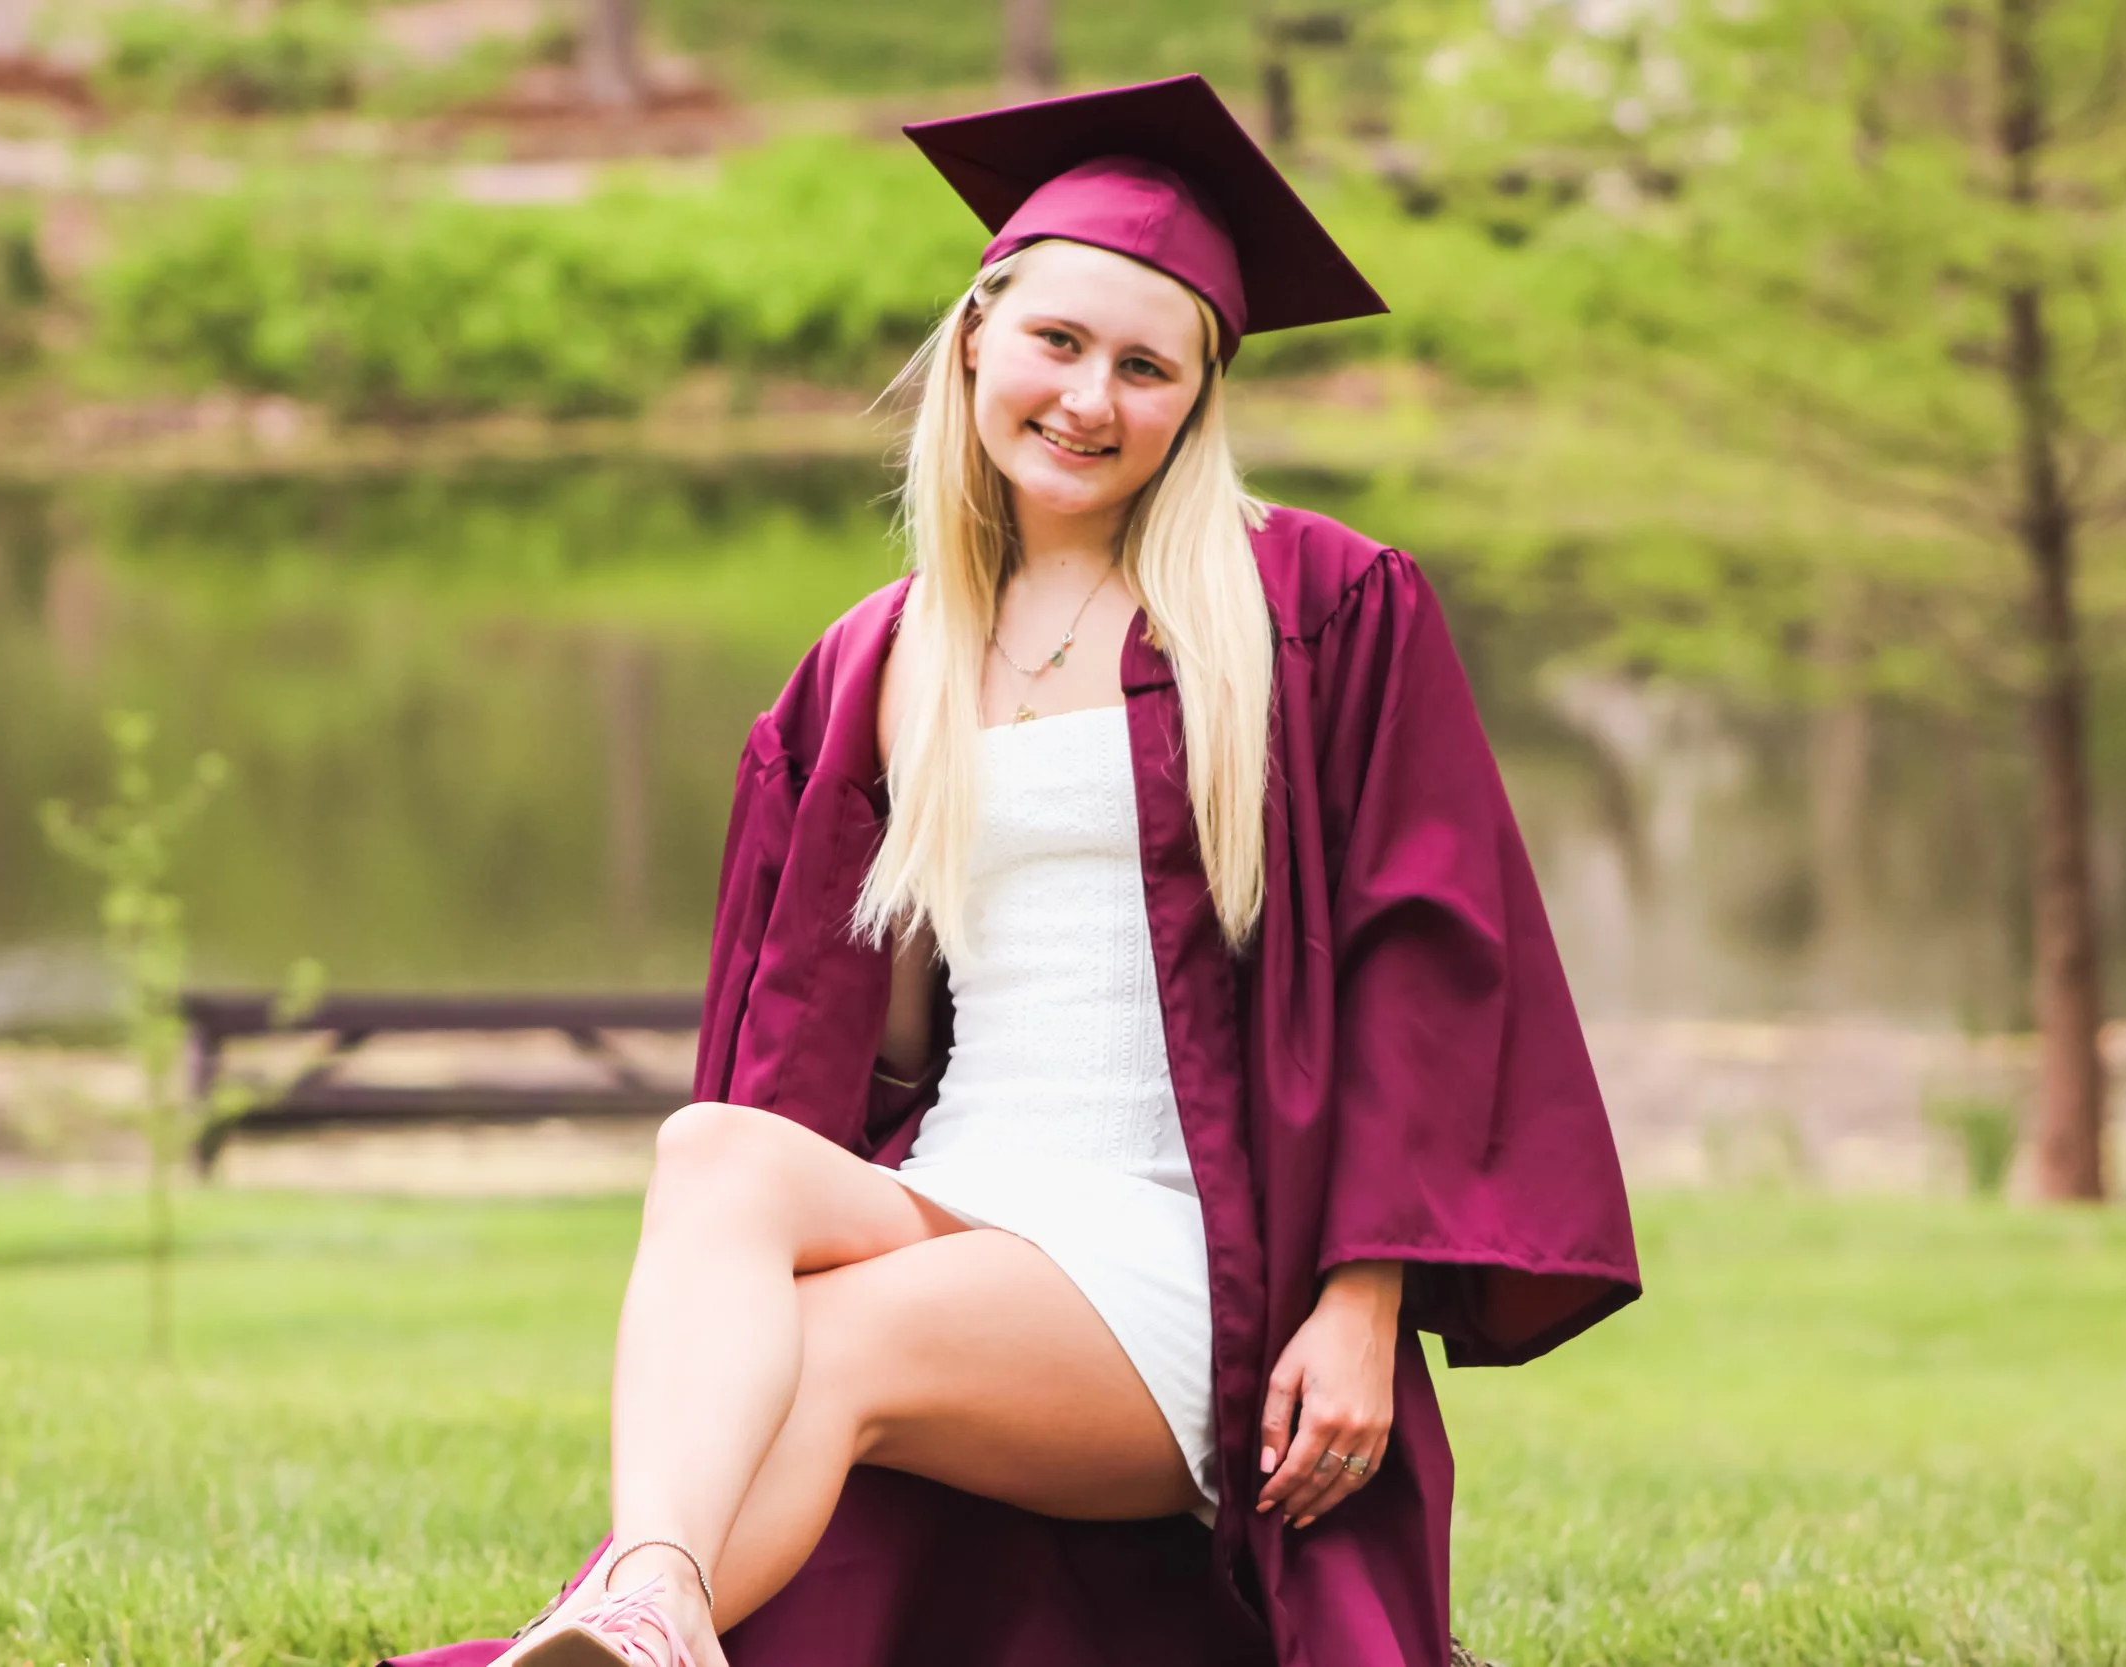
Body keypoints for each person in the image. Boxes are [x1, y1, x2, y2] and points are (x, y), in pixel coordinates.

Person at [387, 74, 1638, 1667]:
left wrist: (1362, 1299)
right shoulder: (882, 660)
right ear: (976, 336)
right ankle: (650, 1606)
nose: (1089, 399)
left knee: (827, 1348)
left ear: (1200, 395)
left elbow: (1428, 951)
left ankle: (635, 1623)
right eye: (1057, 342)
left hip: (1189, 1253)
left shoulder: (1310, 606)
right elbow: (819, 1033)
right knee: (713, 1150)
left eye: (1146, 365)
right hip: (970, 1201)